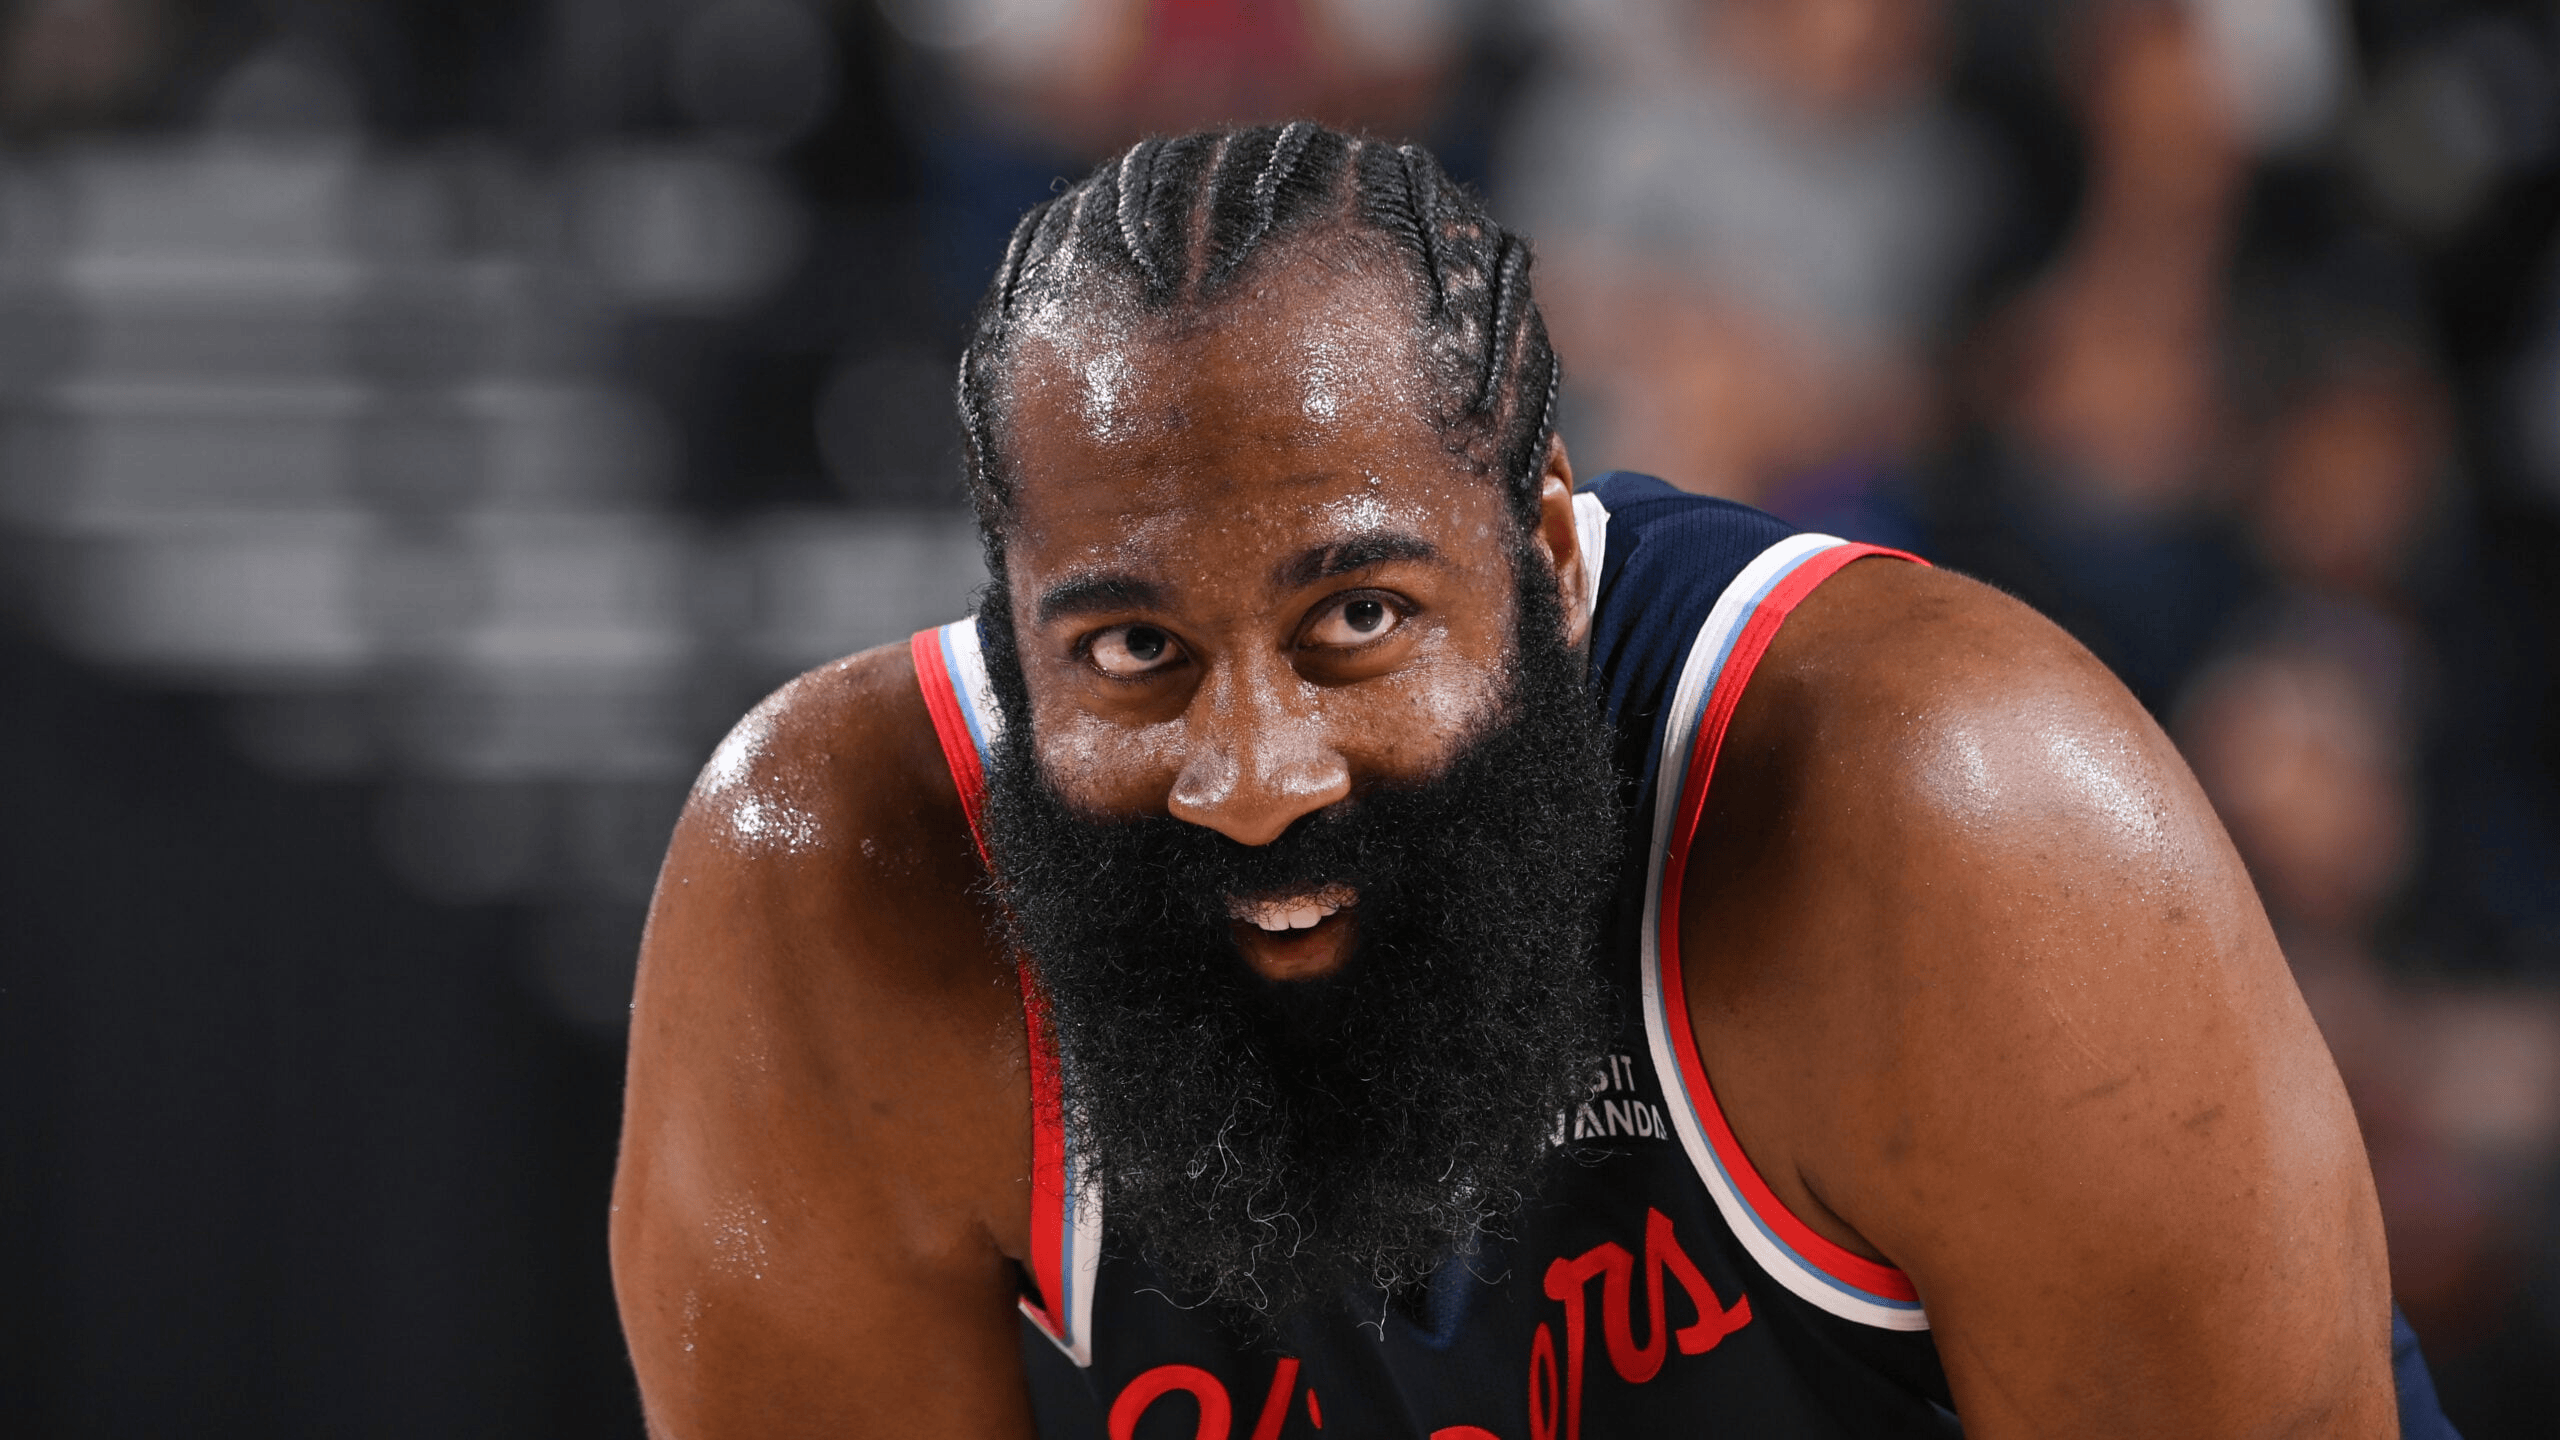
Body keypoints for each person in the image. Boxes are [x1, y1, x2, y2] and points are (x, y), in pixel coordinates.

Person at [610, 123, 2456, 1438]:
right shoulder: (823, 908)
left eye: (1357, 619)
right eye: (1132, 650)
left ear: (1553, 568)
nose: (1252, 775)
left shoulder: (1957, 822)